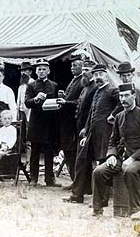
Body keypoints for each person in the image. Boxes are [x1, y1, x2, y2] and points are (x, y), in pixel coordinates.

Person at [91, 83, 140, 219]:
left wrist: (132, 158)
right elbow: (113, 141)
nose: (123, 99)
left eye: (126, 95)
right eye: (121, 96)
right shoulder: (119, 116)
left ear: (134, 96)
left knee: (130, 170)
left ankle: (135, 209)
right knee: (98, 171)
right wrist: (111, 155)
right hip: (121, 159)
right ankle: (98, 208)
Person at [64, 63, 122, 203]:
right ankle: (76, 195)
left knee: (103, 164)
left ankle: (102, 200)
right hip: (91, 134)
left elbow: (122, 103)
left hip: (105, 134)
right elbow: (92, 113)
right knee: (81, 161)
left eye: (100, 74)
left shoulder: (112, 90)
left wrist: (112, 115)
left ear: (106, 75)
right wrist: (86, 130)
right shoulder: (96, 91)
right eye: (95, 75)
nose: (98, 77)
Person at [25, 58, 61, 187]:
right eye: (39, 69)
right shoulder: (31, 85)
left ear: (48, 71)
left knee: (49, 152)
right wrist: (35, 99)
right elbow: (27, 103)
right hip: (36, 123)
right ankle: (33, 178)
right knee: (35, 152)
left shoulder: (54, 85)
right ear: (36, 71)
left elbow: (58, 102)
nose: (41, 71)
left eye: (44, 69)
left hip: (49, 123)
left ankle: (49, 179)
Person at [56, 54, 85, 184]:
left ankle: (77, 183)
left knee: (72, 153)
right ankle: (75, 182)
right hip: (66, 123)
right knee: (68, 152)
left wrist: (66, 102)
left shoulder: (83, 81)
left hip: (74, 124)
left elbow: (80, 102)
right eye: (72, 65)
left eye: (76, 65)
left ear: (82, 67)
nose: (72, 68)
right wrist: (64, 96)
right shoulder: (74, 80)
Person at [17, 61, 35, 170]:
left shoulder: (33, 84)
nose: (24, 73)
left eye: (26, 71)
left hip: (31, 115)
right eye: (22, 71)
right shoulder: (21, 86)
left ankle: (29, 162)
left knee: (30, 140)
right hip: (22, 114)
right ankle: (21, 162)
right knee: (21, 139)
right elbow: (18, 103)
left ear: (30, 72)